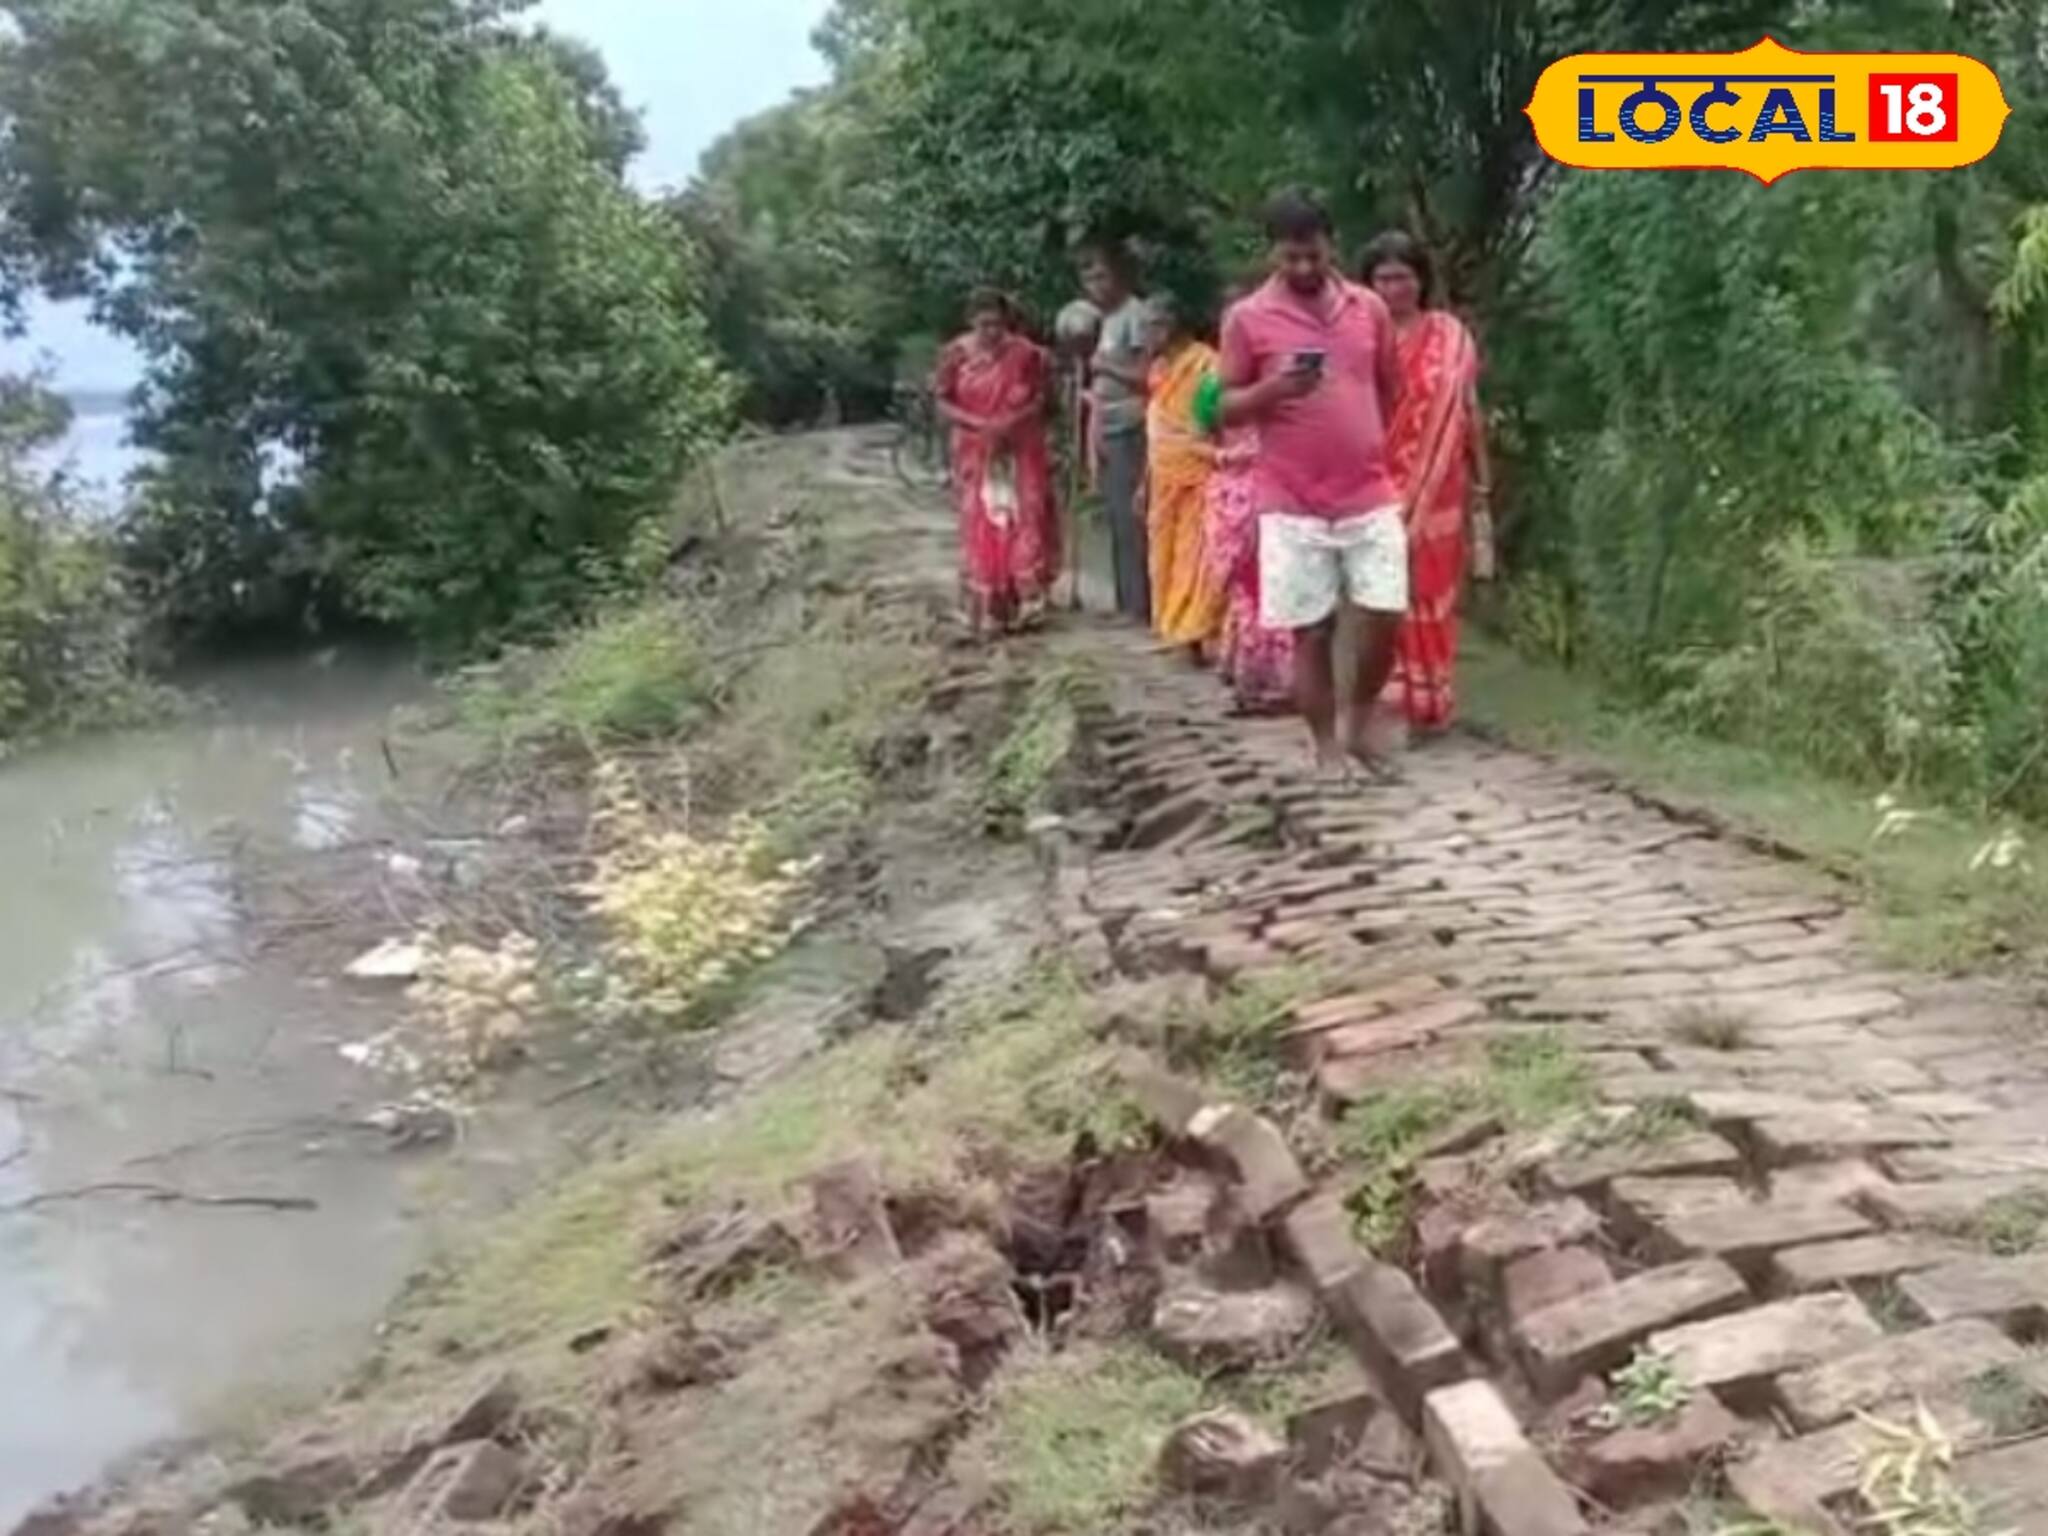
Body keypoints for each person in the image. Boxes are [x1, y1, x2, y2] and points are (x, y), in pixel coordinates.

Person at [1219, 189, 1406, 778]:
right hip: (1291, 499)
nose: (1303, 268)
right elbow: (1221, 406)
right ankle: (1326, 747)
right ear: (1273, 253)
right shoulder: (1246, 318)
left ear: (1332, 246)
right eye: (1290, 258)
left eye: (1313, 256)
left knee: (1385, 612)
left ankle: (1357, 718)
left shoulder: (1367, 308)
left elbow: (1390, 386)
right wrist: (1272, 392)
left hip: (1368, 492)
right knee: (1312, 630)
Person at [1362, 230, 1494, 734]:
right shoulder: (1362, 335)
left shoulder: (1449, 336)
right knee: (1384, 586)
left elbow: (1466, 408)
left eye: (1403, 277)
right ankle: (1394, 696)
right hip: (1375, 479)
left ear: (1421, 281)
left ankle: (1431, 699)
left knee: (1431, 586)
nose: (1393, 288)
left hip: (1439, 481)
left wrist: (1482, 471)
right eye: (1383, 278)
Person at [933, 288, 1060, 637]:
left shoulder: (1025, 355)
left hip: (1019, 446)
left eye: (997, 325)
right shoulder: (956, 355)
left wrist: (1013, 421)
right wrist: (979, 425)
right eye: (983, 324)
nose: (991, 333)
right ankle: (989, 601)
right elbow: (942, 401)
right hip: (976, 449)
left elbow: (1043, 398)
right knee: (983, 520)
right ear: (971, 322)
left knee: (1025, 515)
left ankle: (1027, 596)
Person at [1196, 281, 1294, 713]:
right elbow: (1199, 438)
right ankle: (1252, 677)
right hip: (1233, 495)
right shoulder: (1210, 387)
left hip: (1279, 490)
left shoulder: (1283, 381)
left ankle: (1276, 681)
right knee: (1245, 588)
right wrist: (1230, 455)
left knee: (1276, 585)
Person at [1142, 294, 1226, 658]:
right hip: (1162, 475)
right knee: (1164, 554)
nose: (1148, 334)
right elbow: (1157, 427)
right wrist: (1142, 481)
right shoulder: (1159, 369)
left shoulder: (1207, 365)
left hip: (1199, 473)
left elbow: (1211, 423)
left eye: (1154, 325)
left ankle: (1194, 632)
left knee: (1196, 556)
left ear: (1174, 325)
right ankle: (1174, 626)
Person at [1082, 245, 1151, 623]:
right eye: (1089, 279)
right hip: (1106, 424)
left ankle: (1140, 604)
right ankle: (1125, 599)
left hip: (1130, 425)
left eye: (1101, 276)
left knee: (1132, 517)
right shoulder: (1105, 320)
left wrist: (1105, 366)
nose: (1094, 285)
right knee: (1115, 515)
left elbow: (1147, 377)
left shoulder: (1135, 316)